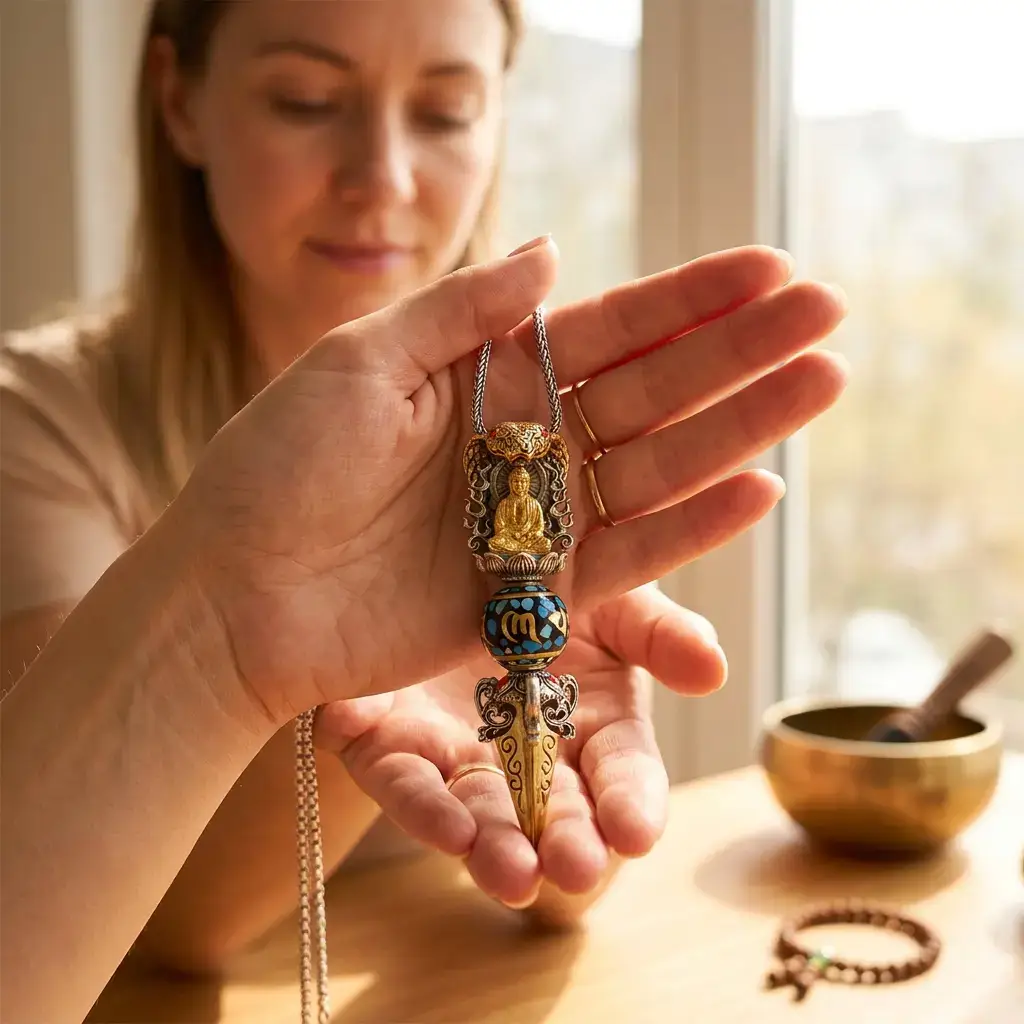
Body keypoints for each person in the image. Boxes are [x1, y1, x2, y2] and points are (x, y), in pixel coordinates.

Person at [0, 2, 849, 1022]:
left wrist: (553, 728)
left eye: (446, 112)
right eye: (305, 101)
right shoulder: (38, 429)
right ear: (180, 100)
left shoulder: (526, 436)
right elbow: (181, 927)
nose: (384, 179)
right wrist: (332, 650)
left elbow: (562, 888)